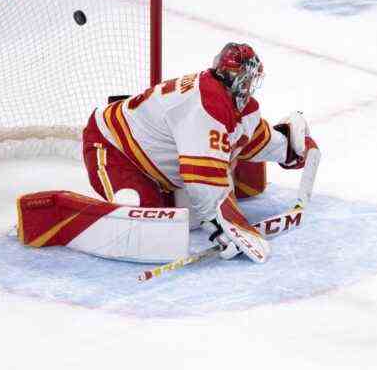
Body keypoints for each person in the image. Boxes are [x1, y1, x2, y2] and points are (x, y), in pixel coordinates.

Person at [82, 42, 318, 263]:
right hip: (113, 148)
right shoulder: (204, 105)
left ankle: (166, 196)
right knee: (143, 222)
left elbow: (252, 138)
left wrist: (289, 149)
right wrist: (224, 227)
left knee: (189, 218)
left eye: (252, 80)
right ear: (232, 78)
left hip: (157, 160)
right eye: (245, 79)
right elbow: (201, 177)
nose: (249, 86)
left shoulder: (236, 103)